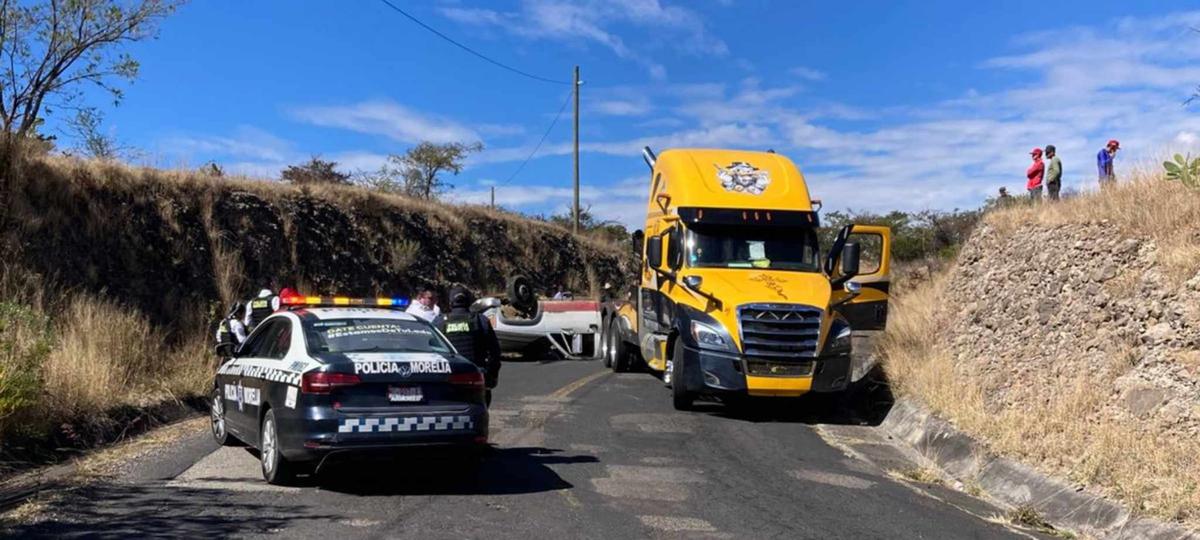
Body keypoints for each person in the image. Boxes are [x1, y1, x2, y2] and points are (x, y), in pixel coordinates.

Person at [441, 286, 502, 406]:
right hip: (475, 378)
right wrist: (491, 375)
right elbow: (495, 352)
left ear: (450, 302)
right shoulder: (480, 320)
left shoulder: (439, 322)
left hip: (448, 379)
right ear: (469, 302)